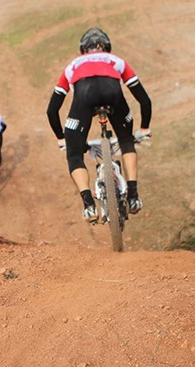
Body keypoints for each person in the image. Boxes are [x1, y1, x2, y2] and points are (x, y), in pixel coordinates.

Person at [46, 27, 152, 223]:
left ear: (83, 50)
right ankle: (134, 196)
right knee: (127, 141)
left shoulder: (72, 66)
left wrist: (62, 139)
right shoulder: (117, 61)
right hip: (113, 92)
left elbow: (52, 110)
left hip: (84, 95)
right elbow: (144, 100)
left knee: (75, 154)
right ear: (107, 48)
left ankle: (88, 205)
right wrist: (144, 129)